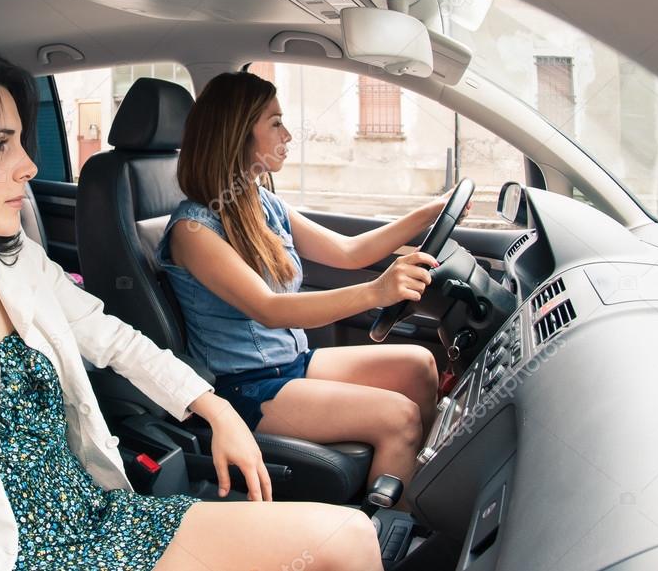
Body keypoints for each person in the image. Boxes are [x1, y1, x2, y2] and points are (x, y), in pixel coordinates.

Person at [0, 45, 380, 571]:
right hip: (6, 557)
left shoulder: (15, 261)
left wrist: (215, 409)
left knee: (350, 537)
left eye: (20, 142)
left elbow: (114, 338)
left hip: (101, 519)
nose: (28, 166)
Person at [159, 71, 456, 496]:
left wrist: (430, 212)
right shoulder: (194, 231)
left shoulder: (262, 202)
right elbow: (269, 308)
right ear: (237, 134)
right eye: (275, 123)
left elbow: (350, 252)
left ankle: (425, 494)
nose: (288, 135)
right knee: (399, 417)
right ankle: (392, 535)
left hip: (293, 363)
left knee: (420, 366)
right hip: (247, 386)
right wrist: (377, 292)